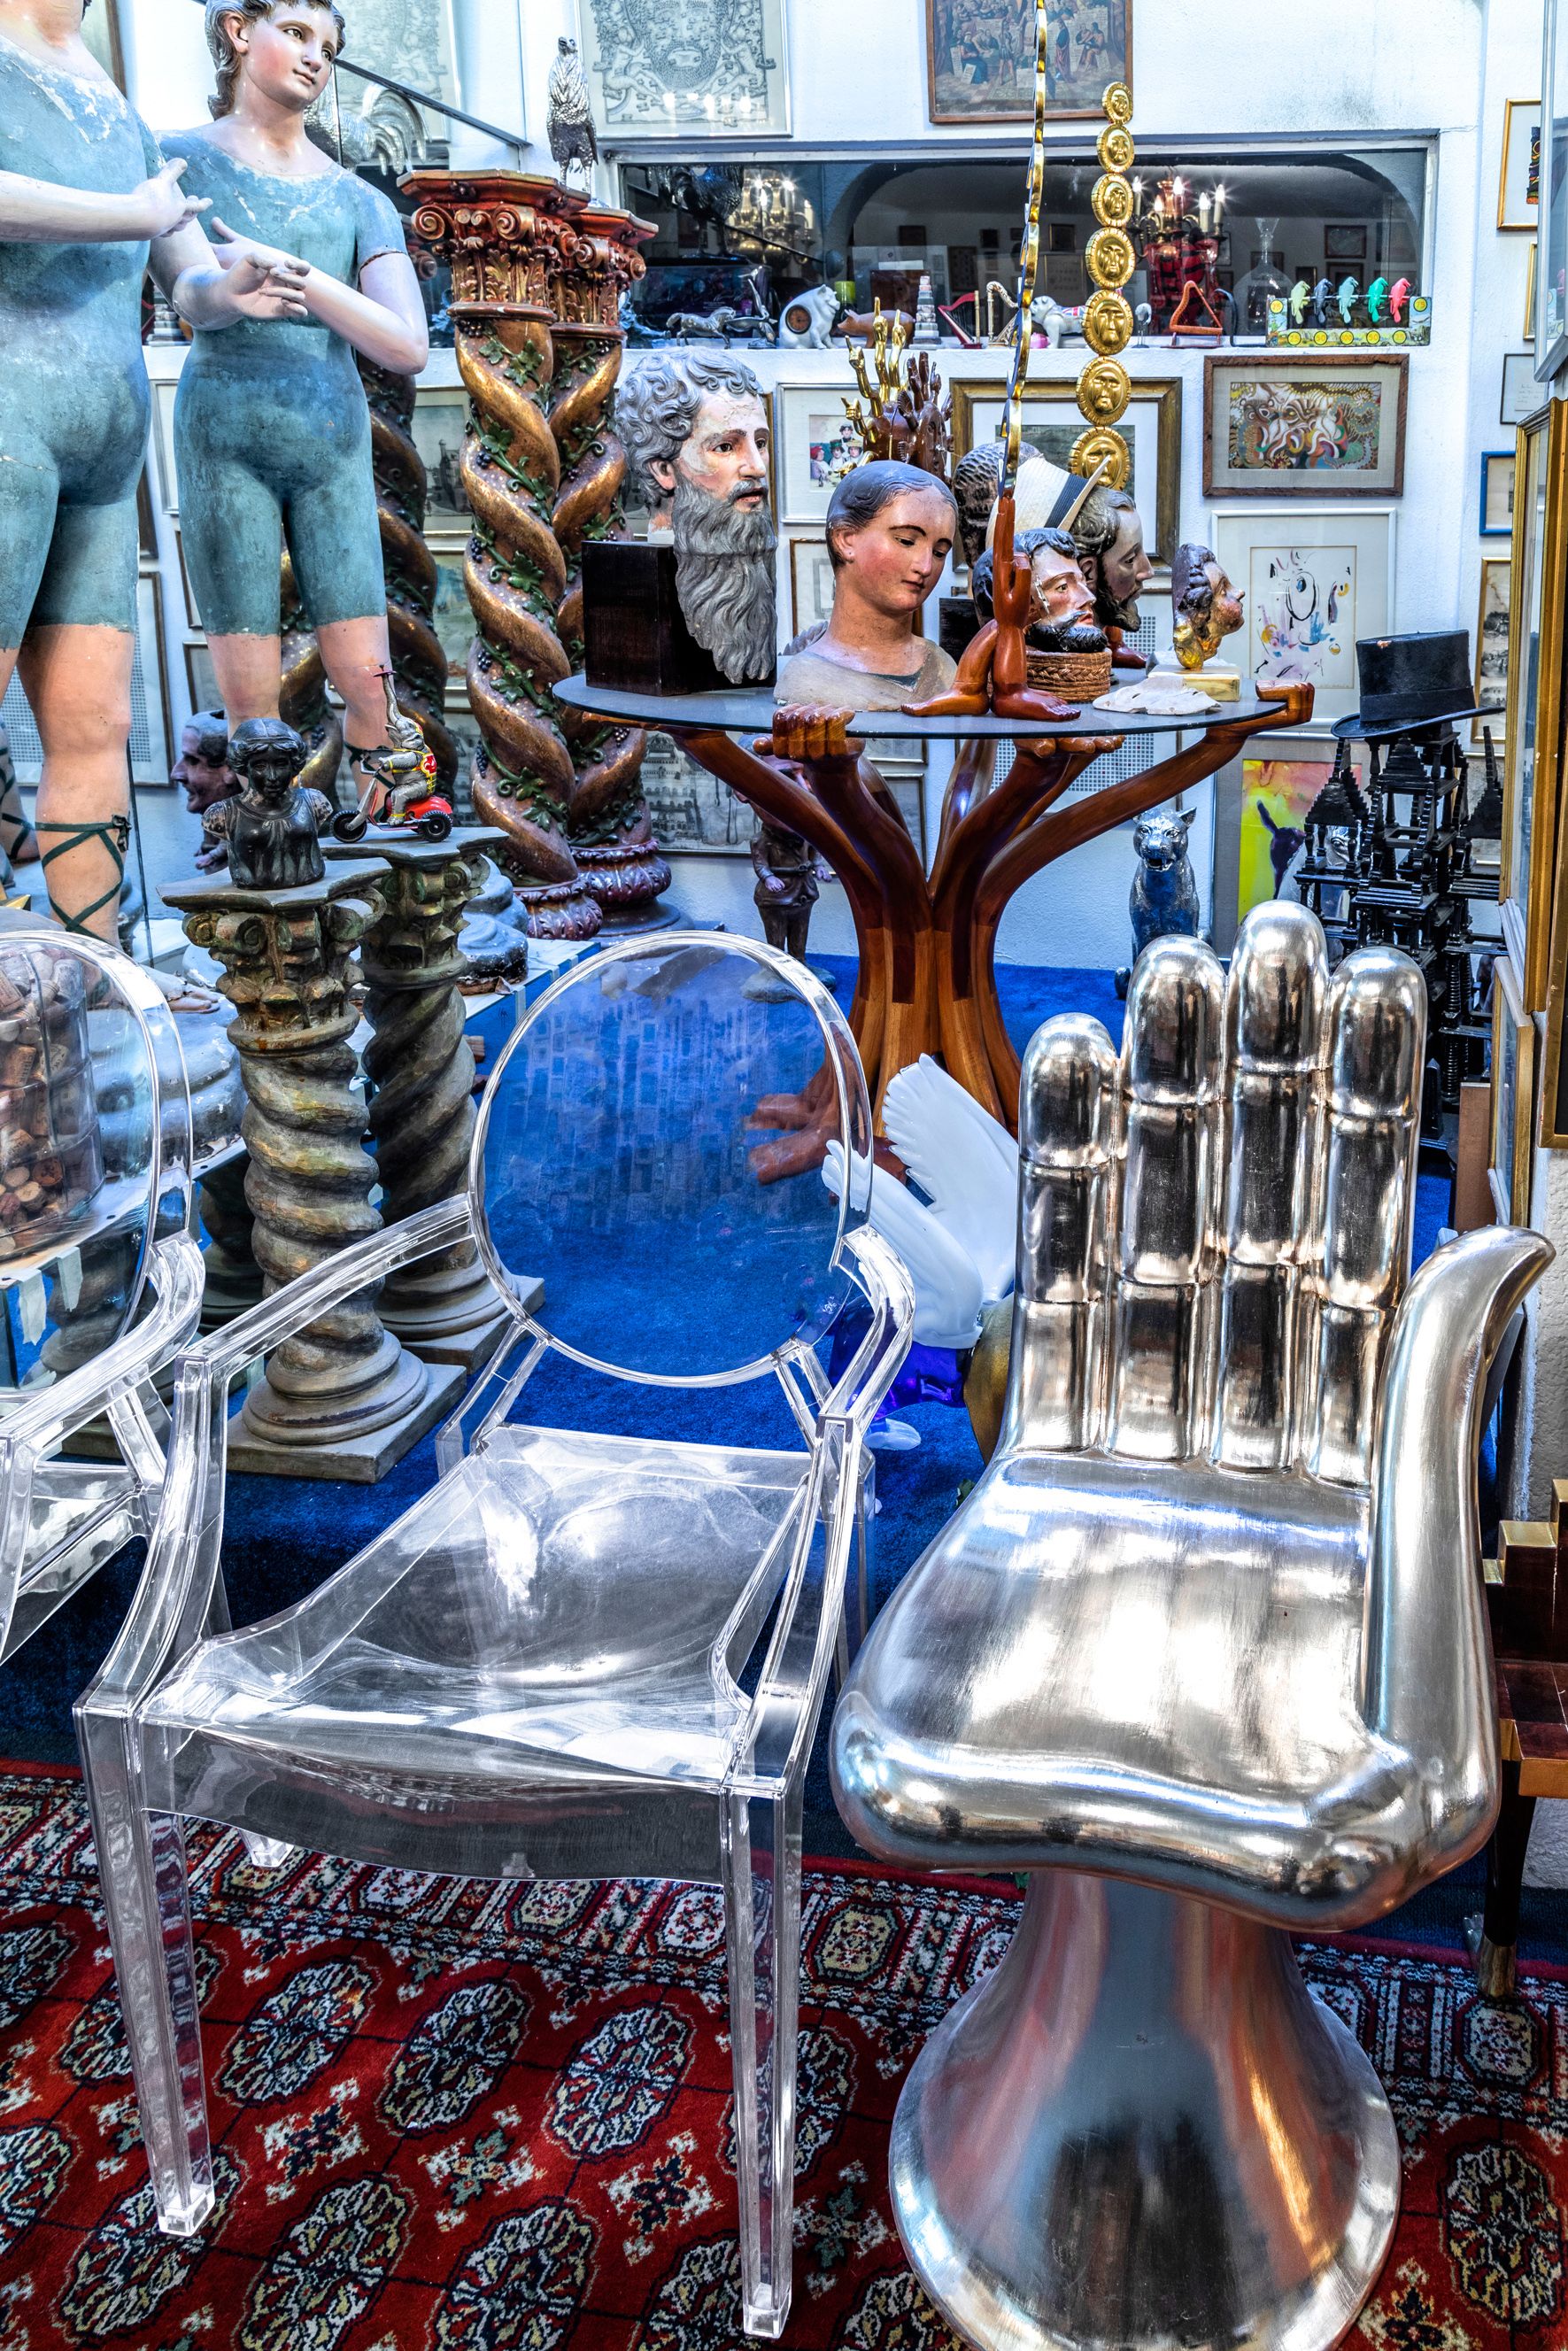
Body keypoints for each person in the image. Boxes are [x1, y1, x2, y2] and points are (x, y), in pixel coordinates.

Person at [0, 0, 306, 938]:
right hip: (10, 417)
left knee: (94, 729)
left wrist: (229, 290)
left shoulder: (109, 94)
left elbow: (183, 279)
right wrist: (130, 211)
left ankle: (107, 973)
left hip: (101, 444)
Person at [163, 1, 429, 818]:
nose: (318, 59)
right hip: (225, 436)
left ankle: (395, 894)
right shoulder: (178, 162)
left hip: (330, 440)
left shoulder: (356, 197)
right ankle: (268, 891)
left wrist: (299, 275)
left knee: (370, 691)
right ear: (240, 32)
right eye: (299, 35)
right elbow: (192, 296)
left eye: (330, 47)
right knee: (252, 712)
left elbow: (406, 344)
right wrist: (231, 287)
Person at [616, 351, 776, 684]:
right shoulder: (640, 579)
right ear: (663, 470)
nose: (757, 468)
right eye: (725, 447)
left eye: (760, 442)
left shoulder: (755, 565)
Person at [775, 460, 958, 711]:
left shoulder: (943, 668)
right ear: (845, 539)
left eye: (939, 552)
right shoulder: (806, 677)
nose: (925, 567)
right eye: (906, 541)